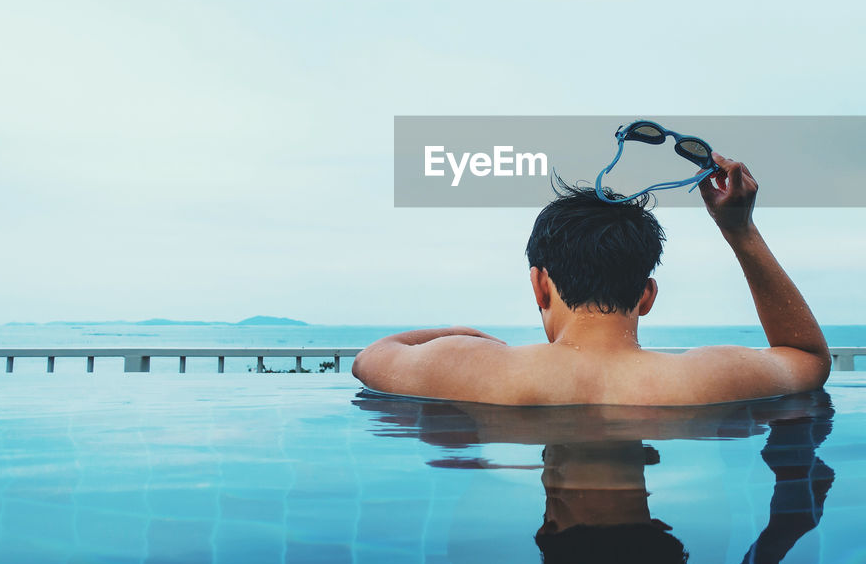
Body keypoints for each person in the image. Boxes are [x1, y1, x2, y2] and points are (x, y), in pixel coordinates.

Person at [352, 153, 831, 405]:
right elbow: (808, 359)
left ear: (540, 285)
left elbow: (370, 359)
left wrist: (458, 336)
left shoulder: (471, 367)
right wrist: (740, 230)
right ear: (646, 296)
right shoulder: (708, 377)